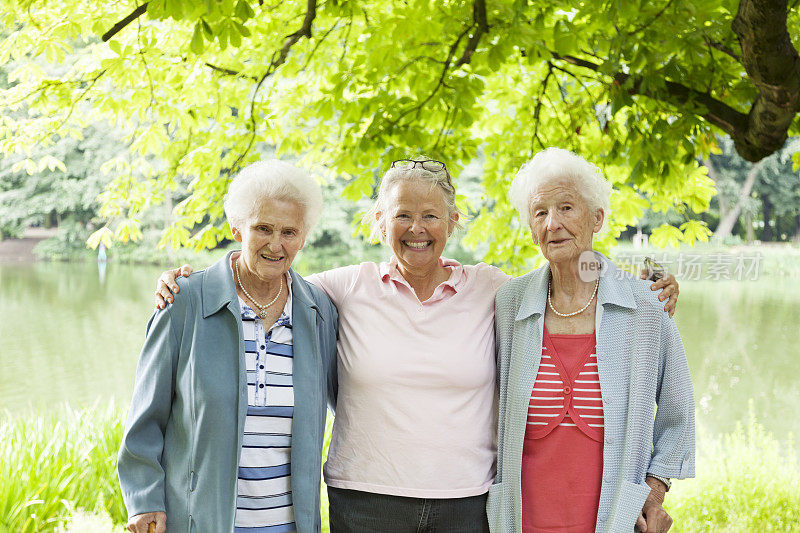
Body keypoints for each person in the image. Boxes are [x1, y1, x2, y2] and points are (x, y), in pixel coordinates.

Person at [153, 157, 681, 531]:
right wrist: (193, 280)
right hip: (364, 503)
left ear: (453, 222)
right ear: (380, 222)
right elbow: (267, 269)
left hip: (466, 504)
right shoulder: (338, 290)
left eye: (431, 215)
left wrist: (641, 282)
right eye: (402, 214)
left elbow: (567, 269)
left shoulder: (495, 290)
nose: (417, 228)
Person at [117, 160, 339, 533]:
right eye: (263, 228)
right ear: (237, 227)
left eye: (289, 232)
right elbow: (145, 418)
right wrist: (144, 500)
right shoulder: (184, 302)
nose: (275, 244)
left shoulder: (319, 312)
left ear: (304, 237)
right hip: (200, 522)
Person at [488, 148, 694, 533]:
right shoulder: (509, 303)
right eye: (540, 212)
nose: (553, 223)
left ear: (597, 217)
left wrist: (653, 493)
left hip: (613, 519)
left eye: (566, 207)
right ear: (531, 228)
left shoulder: (645, 304)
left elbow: (676, 413)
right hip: (521, 517)